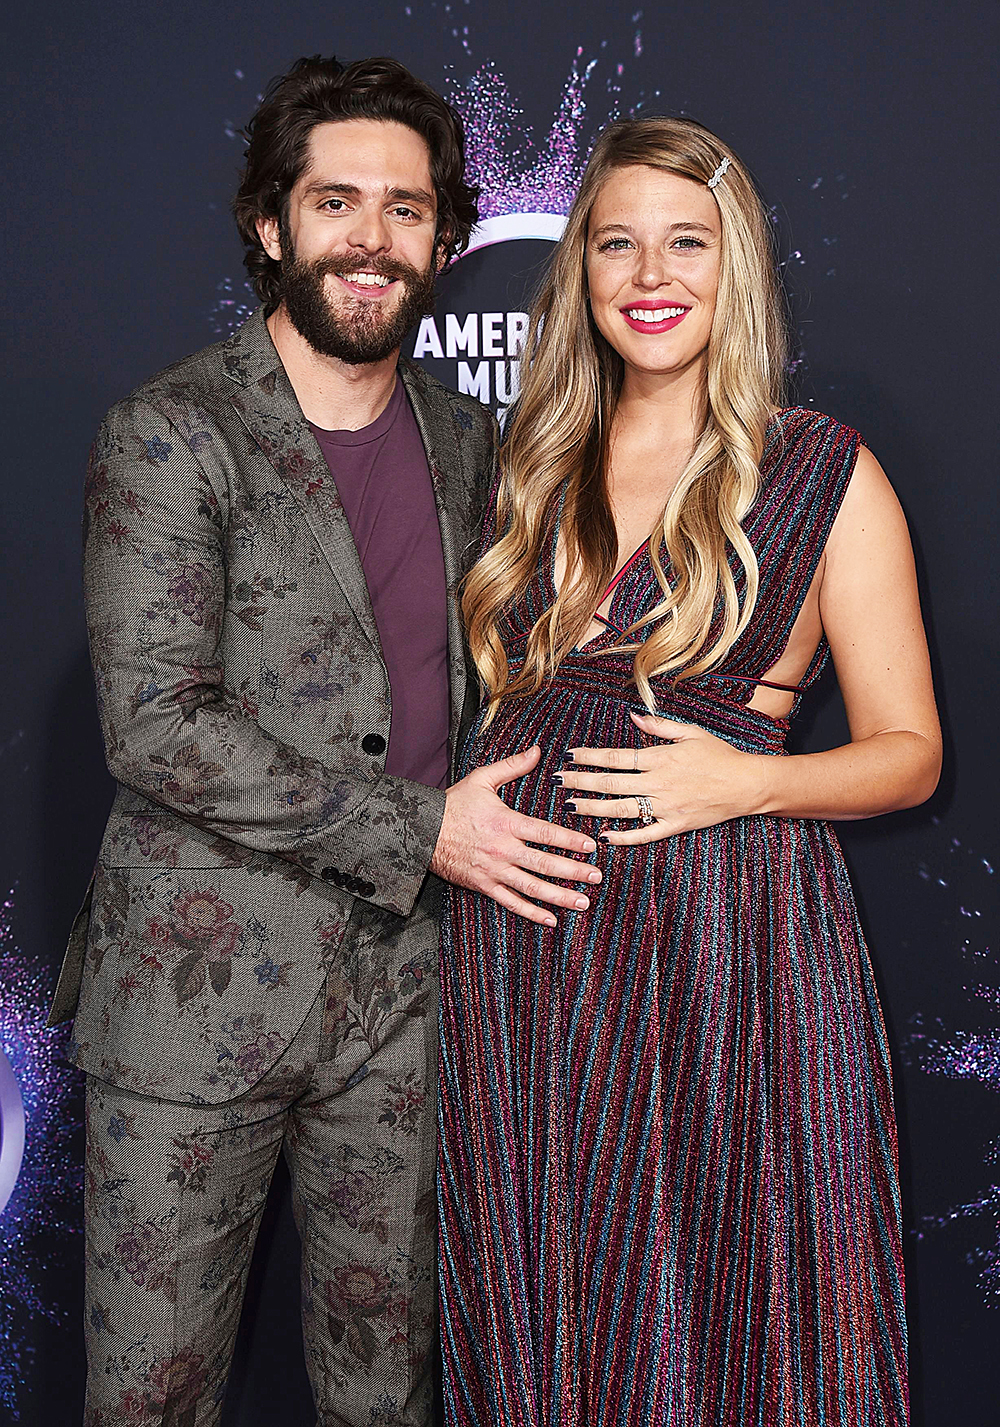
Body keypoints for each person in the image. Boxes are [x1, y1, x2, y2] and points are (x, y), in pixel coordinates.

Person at [48, 55, 597, 1427]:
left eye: (406, 210)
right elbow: (158, 727)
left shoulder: (473, 440)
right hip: (193, 1014)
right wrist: (429, 832)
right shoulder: (172, 437)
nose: (372, 238)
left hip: (407, 1008)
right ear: (272, 224)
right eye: (337, 202)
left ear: (444, 238)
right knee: (151, 1398)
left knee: (386, 1394)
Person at [439, 116, 940, 1427]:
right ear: (583, 274)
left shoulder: (821, 468)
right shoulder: (531, 472)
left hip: (727, 956)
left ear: (737, 267)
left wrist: (747, 782)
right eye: (616, 243)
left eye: (685, 242)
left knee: (728, 1309)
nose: (648, 274)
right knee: (547, 1297)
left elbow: (910, 752)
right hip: (522, 963)